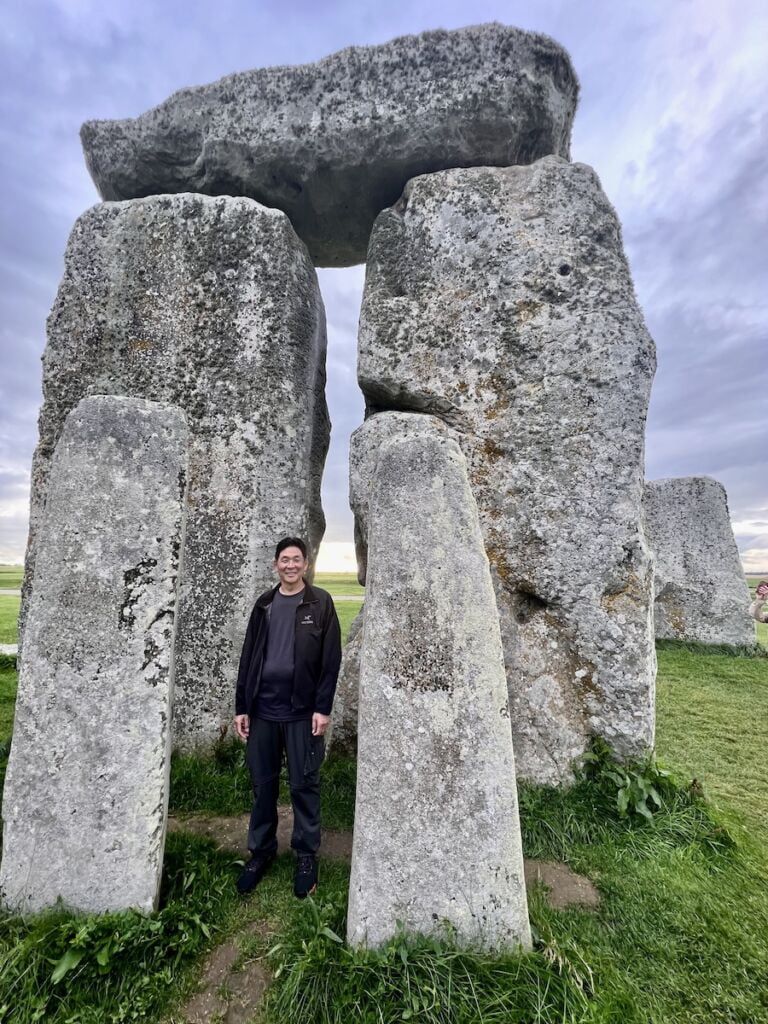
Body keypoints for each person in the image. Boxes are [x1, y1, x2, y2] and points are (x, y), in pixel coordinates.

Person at [233, 536, 341, 898]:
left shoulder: (320, 603)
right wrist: (241, 707)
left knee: (303, 785)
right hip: (263, 710)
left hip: (301, 713)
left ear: (306, 565)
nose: (290, 565)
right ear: (276, 564)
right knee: (263, 786)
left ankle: (306, 854)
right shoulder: (264, 604)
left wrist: (322, 709)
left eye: (296, 560)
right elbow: (248, 658)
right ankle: (261, 852)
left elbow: (330, 662)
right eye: (284, 560)